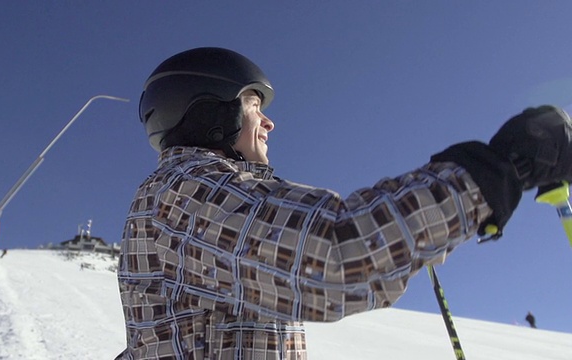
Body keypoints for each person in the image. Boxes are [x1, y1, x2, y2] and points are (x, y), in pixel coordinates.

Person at [115, 47, 572, 359]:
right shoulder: (185, 191)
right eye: (254, 104)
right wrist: (502, 166)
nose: (270, 122)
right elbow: (337, 255)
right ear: (210, 112)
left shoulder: (178, 200)